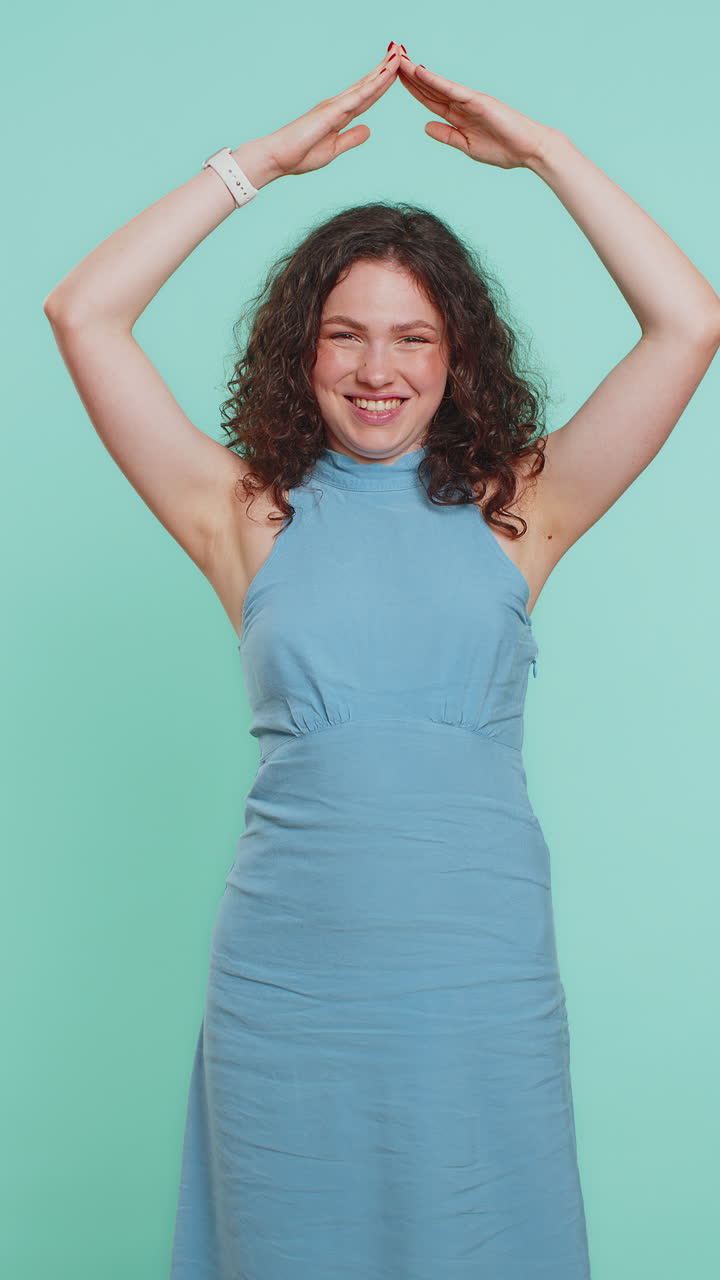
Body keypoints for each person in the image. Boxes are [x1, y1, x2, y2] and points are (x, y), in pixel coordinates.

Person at [43, 41, 720, 1280]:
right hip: (289, 977)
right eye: (346, 335)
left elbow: (690, 322)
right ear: (302, 349)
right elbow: (81, 312)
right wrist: (261, 166)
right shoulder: (243, 514)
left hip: (479, 969)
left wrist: (546, 156)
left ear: (456, 354)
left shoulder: (526, 510)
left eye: (412, 338)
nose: (377, 370)